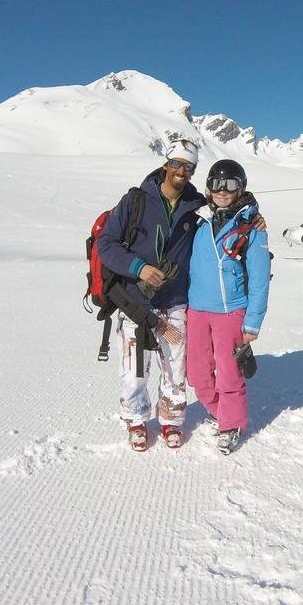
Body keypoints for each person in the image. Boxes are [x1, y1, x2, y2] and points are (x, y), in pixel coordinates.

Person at [95, 140, 205, 452]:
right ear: (166, 163)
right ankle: (136, 419)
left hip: (174, 302)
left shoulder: (195, 207)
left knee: (175, 368)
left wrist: (255, 216)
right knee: (134, 371)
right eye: (179, 164)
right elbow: (106, 245)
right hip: (134, 302)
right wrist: (138, 268)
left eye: (190, 167)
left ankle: (171, 420)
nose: (183, 171)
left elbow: (229, 206)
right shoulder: (136, 201)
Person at [186, 159, 271, 455]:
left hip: (230, 311)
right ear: (208, 188)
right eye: (217, 184)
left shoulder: (252, 227)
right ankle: (221, 411)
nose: (223, 191)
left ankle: (230, 424)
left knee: (228, 372)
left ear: (241, 188)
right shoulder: (197, 219)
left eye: (230, 185)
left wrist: (252, 323)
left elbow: (260, 280)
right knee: (196, 373)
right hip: (196, 309)